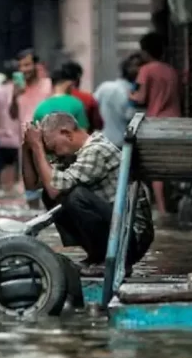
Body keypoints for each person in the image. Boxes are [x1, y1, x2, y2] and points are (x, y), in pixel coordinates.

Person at [22, 112, 154, 271]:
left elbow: (54, 189)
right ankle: (97, 256)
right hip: (118, 232)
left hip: (132, 238)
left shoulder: (97, 149)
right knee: (54, 193)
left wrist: (38, 147)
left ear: (67, 134)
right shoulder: (74, 155)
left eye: (54, 148)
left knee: (75, 196)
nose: (55, 154)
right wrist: (26, 148)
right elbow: (32, 185)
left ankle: (108, 260)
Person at [130, 32, 181, 217]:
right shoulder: (171, 70)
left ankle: (162, 209)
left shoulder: (146, 70)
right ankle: (175, 205)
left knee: (156, 168)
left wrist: (131, 95)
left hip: (156, 122)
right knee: (174, 165)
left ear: (145, 51)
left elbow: (141, 97)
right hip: (176, 121)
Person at [13, 49, 53, 208]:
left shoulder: (48, 85)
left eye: (27, 65)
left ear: (37, 65)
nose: (23, 69)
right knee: (29, 187)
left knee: (49, 184)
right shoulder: (18, 87)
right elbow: (13, 114)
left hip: (46, 142)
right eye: (20, 66)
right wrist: (14, 95)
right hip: (24, 141)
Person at [94, 54, 143, 147]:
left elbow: (93, 107)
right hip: (121, 143)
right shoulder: (130, 93)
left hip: (101, 140)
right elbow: (129, 116)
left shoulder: (104, 86)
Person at [0, 60, 22, 194]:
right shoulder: (21, 91)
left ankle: (5, 194)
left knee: (4, 168)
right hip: (18, 136)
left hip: (2, 136)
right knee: (16, 171)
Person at [56, 60, 103, 132]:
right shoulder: (87, 98)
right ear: (78, 78)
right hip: (83, 140)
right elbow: (99, 124)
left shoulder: (51, 99)